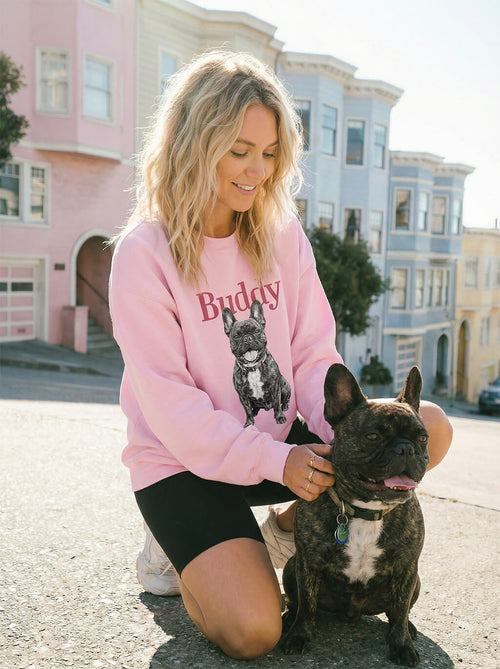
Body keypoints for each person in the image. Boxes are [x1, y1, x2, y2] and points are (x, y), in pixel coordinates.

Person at [109, 50, 453, 660]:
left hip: (276, 440)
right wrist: (279, 461)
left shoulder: (281, 233)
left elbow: (312, 354)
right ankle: (175, 549)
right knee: (254, 633)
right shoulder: (143, 253)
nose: (257, 171)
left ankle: (285, 531)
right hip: (182, 461)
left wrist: (343, 431)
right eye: (239, 151)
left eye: (270, 154)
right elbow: (173, 409)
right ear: (193, 145)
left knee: (427, 427)